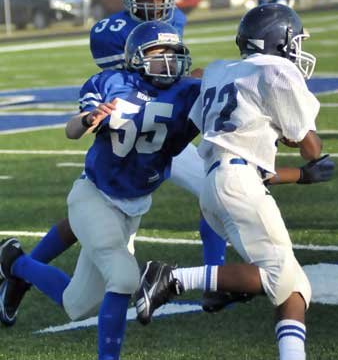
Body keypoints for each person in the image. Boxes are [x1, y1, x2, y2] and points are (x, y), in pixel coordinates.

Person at [0, 0, 227, 327]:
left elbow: (173, 76)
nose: (155, 5)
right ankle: (23, 269)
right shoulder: (108, 32)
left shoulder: (177, 22)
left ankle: (214, 279)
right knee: (97, 206)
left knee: (215, 187)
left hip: (163, 125)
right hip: (128, 127)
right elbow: (126, 83)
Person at [134, 4, 327, 360]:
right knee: (278, 278)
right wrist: (309, 153)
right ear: (277, 41)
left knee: (293, 286)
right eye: (293, 41)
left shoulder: (222, 70)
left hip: (219, 183)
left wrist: (298, 173)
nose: (297, 50)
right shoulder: (277, 69)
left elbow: (235, 137)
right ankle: (174, 278)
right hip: (237, 184)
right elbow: (310, 146)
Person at [0, 21, 201, 360]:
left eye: (172, 53)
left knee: (76, 305)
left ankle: (14, 262)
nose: (168, 60)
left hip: (133, 207)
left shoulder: (188, 91)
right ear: (136, 58)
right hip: (94, 197)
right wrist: (88, 118)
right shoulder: (113, 83)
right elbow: (72, 129)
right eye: (158, 53)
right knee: (123, 276)